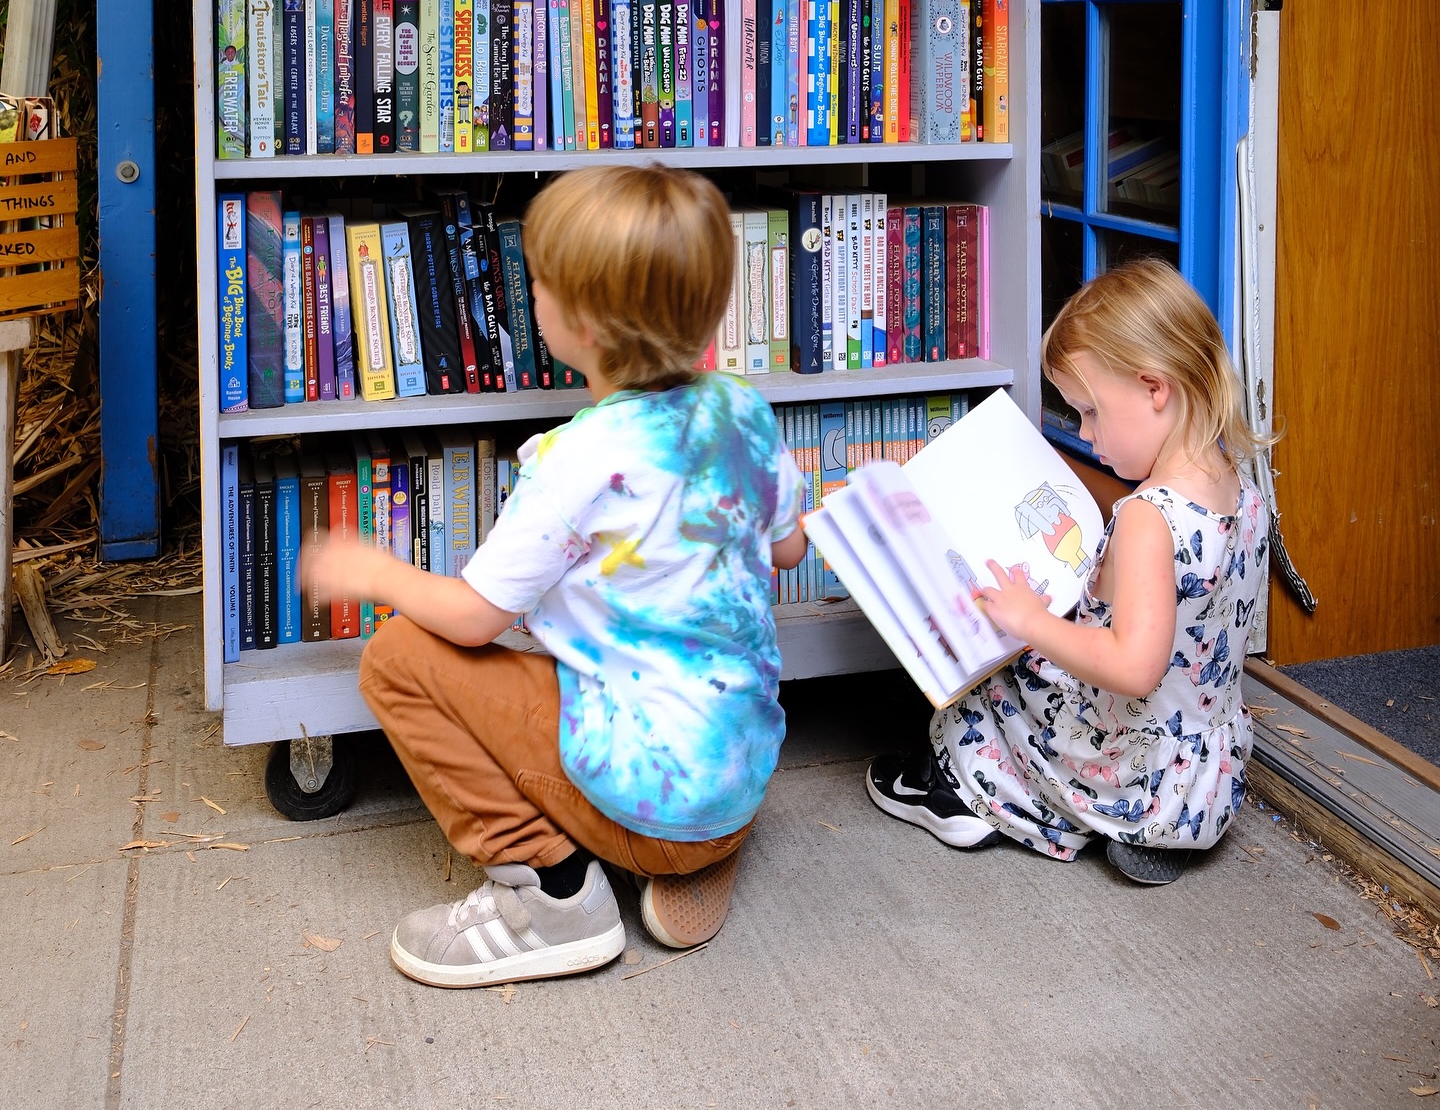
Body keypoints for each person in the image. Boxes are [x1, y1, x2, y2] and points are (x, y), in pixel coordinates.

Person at [302, 163, 807, 985]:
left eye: (537, 282)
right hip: (738, 776)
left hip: (654, 799)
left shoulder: (579, 461)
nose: (530, 294)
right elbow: (787, 551)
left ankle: (554, 896)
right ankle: (693, 851)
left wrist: (375, 569)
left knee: (396, 660)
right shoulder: (741, 410)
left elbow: (472, 617)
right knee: (588, 647)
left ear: (583, 326)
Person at [865, 259, 1271, 885]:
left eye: (1090, 412)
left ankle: (969, 795)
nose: (1085, 433)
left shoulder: (1147, 519)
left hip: (1123, 768)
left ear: (1154, 388)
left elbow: (1133, 667)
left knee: (996, 674)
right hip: (1199, 780)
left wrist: (1030, 621)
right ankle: (1153, 839)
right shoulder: (1236, 484)